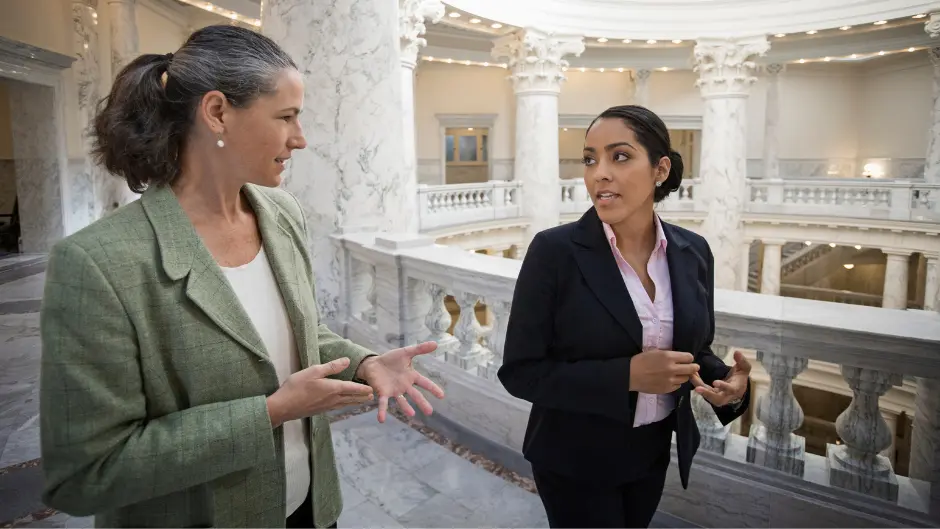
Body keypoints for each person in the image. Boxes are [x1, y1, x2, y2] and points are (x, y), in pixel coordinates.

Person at [38, 25, 444, 528]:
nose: (301, 138)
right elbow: (85, 474)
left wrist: (364, 363)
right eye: (286, 117)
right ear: (217, 112)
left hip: (309, 509)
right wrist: (270, 412)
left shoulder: (280, 212)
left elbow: (295, 335)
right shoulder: (98, 263)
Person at [498, 105, 752, 528]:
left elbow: (690, 349)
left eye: (619, 156)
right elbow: (521, 373)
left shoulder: (693, 253)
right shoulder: (554, 252)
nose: (599, 172)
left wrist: (727, 384)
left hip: (651, 452)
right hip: (573, 460)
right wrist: (628, 376)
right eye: (589, 158)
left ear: (660, 169)